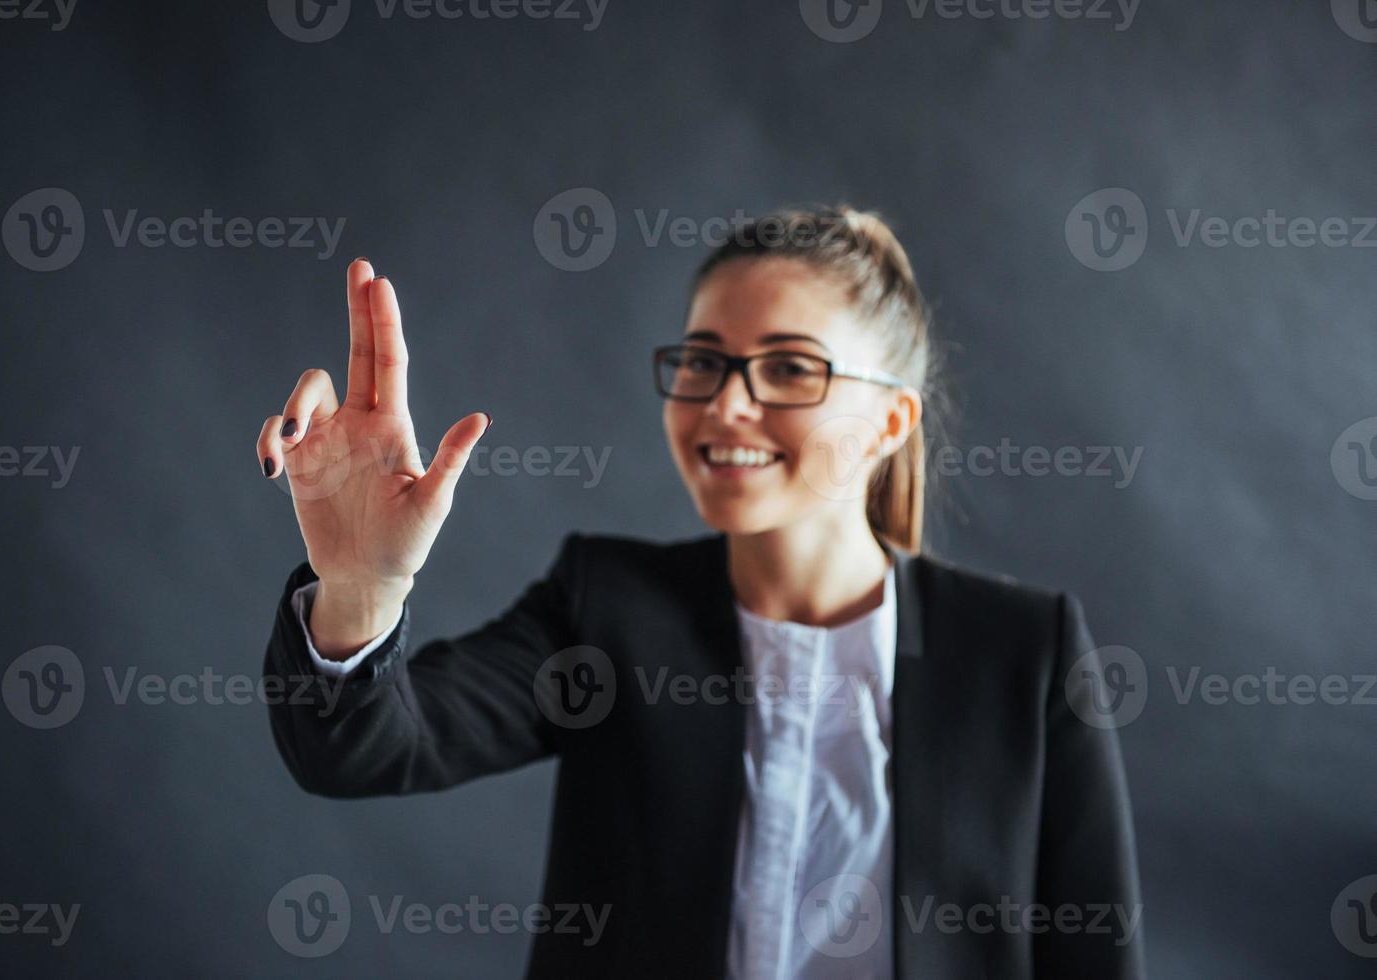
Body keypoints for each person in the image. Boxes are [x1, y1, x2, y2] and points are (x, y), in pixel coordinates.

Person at [256, 205, 1144, 978]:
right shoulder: (604, 606)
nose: (725, 407)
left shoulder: (1023, 653)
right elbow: (362, 751)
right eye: (703, 363)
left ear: (891, 419)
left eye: (792, 368)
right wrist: (362, 588)